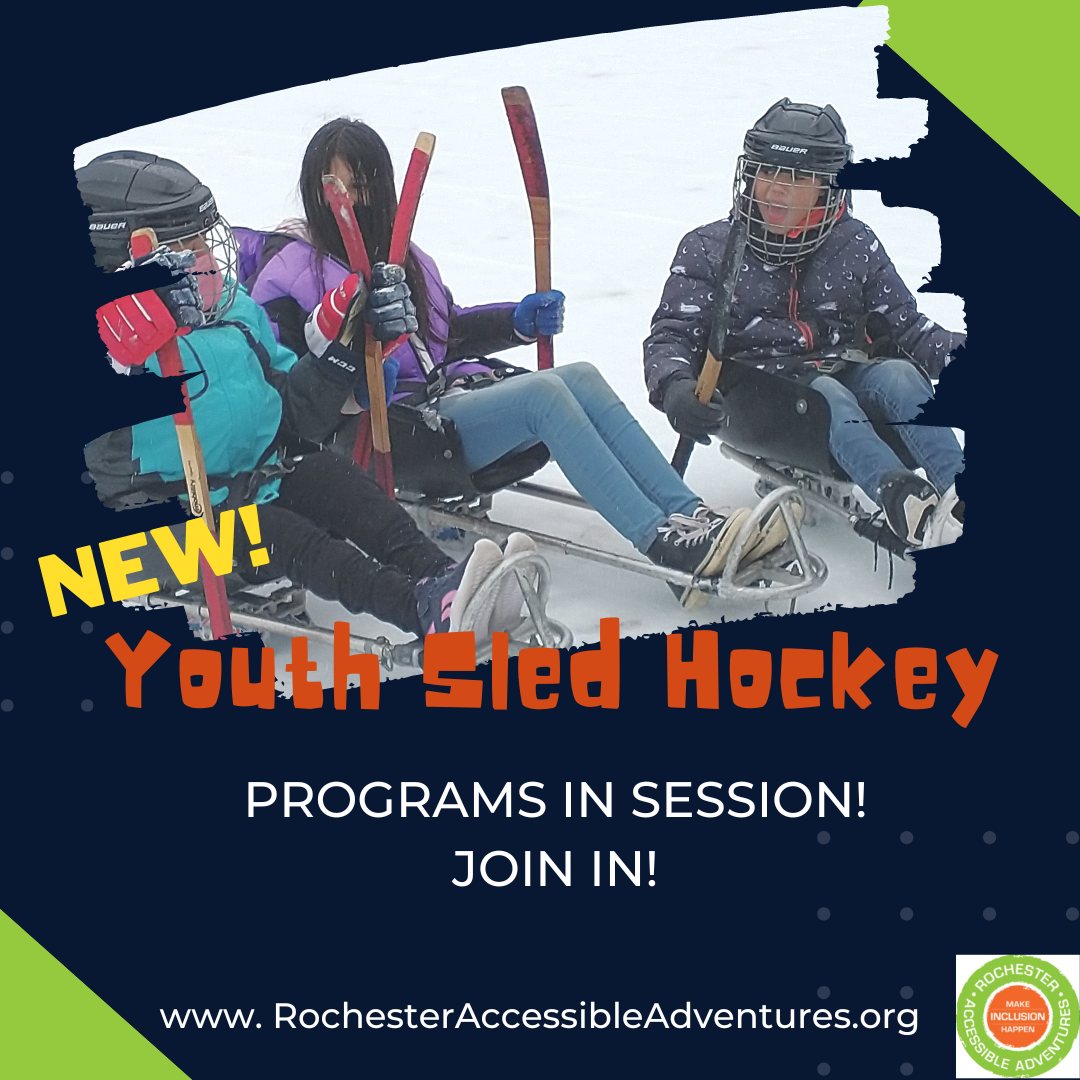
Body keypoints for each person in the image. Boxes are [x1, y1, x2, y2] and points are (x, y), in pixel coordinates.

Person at [237, 118, 790, 608]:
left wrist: (516, 323)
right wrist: (353, 369)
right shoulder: (289, 273)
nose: (354, 202)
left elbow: (444, 332)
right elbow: (285, 388)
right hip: (385, 434)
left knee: (581, 377)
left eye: (364, 184)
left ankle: (691, 515)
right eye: (338, 188)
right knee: (545, 396)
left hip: (443, 399)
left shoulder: (405, 253)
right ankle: (662, 542)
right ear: (316, 191)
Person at [79, 149, 526, 640]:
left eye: (205, 240)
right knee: (274, 533)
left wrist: (344, 352)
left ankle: (444, 579)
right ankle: (420, 611)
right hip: (129, 544)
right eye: (184, 250)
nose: (207, 258)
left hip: (238, 495)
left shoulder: (232, 312)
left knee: (330, 476)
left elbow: (293, 417)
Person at [643, 98, 967, 549]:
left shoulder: (854, 244)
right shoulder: (710, 247)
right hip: (758, 397)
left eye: (796, 178)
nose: (775, 189)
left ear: (827, 187)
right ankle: (901, 498)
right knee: (828, 396)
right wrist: (674, 386)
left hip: (839, 369)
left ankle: (960, 496)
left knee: (899, 374)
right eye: (766, 172)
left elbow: (910, 332)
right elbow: (671, 336)